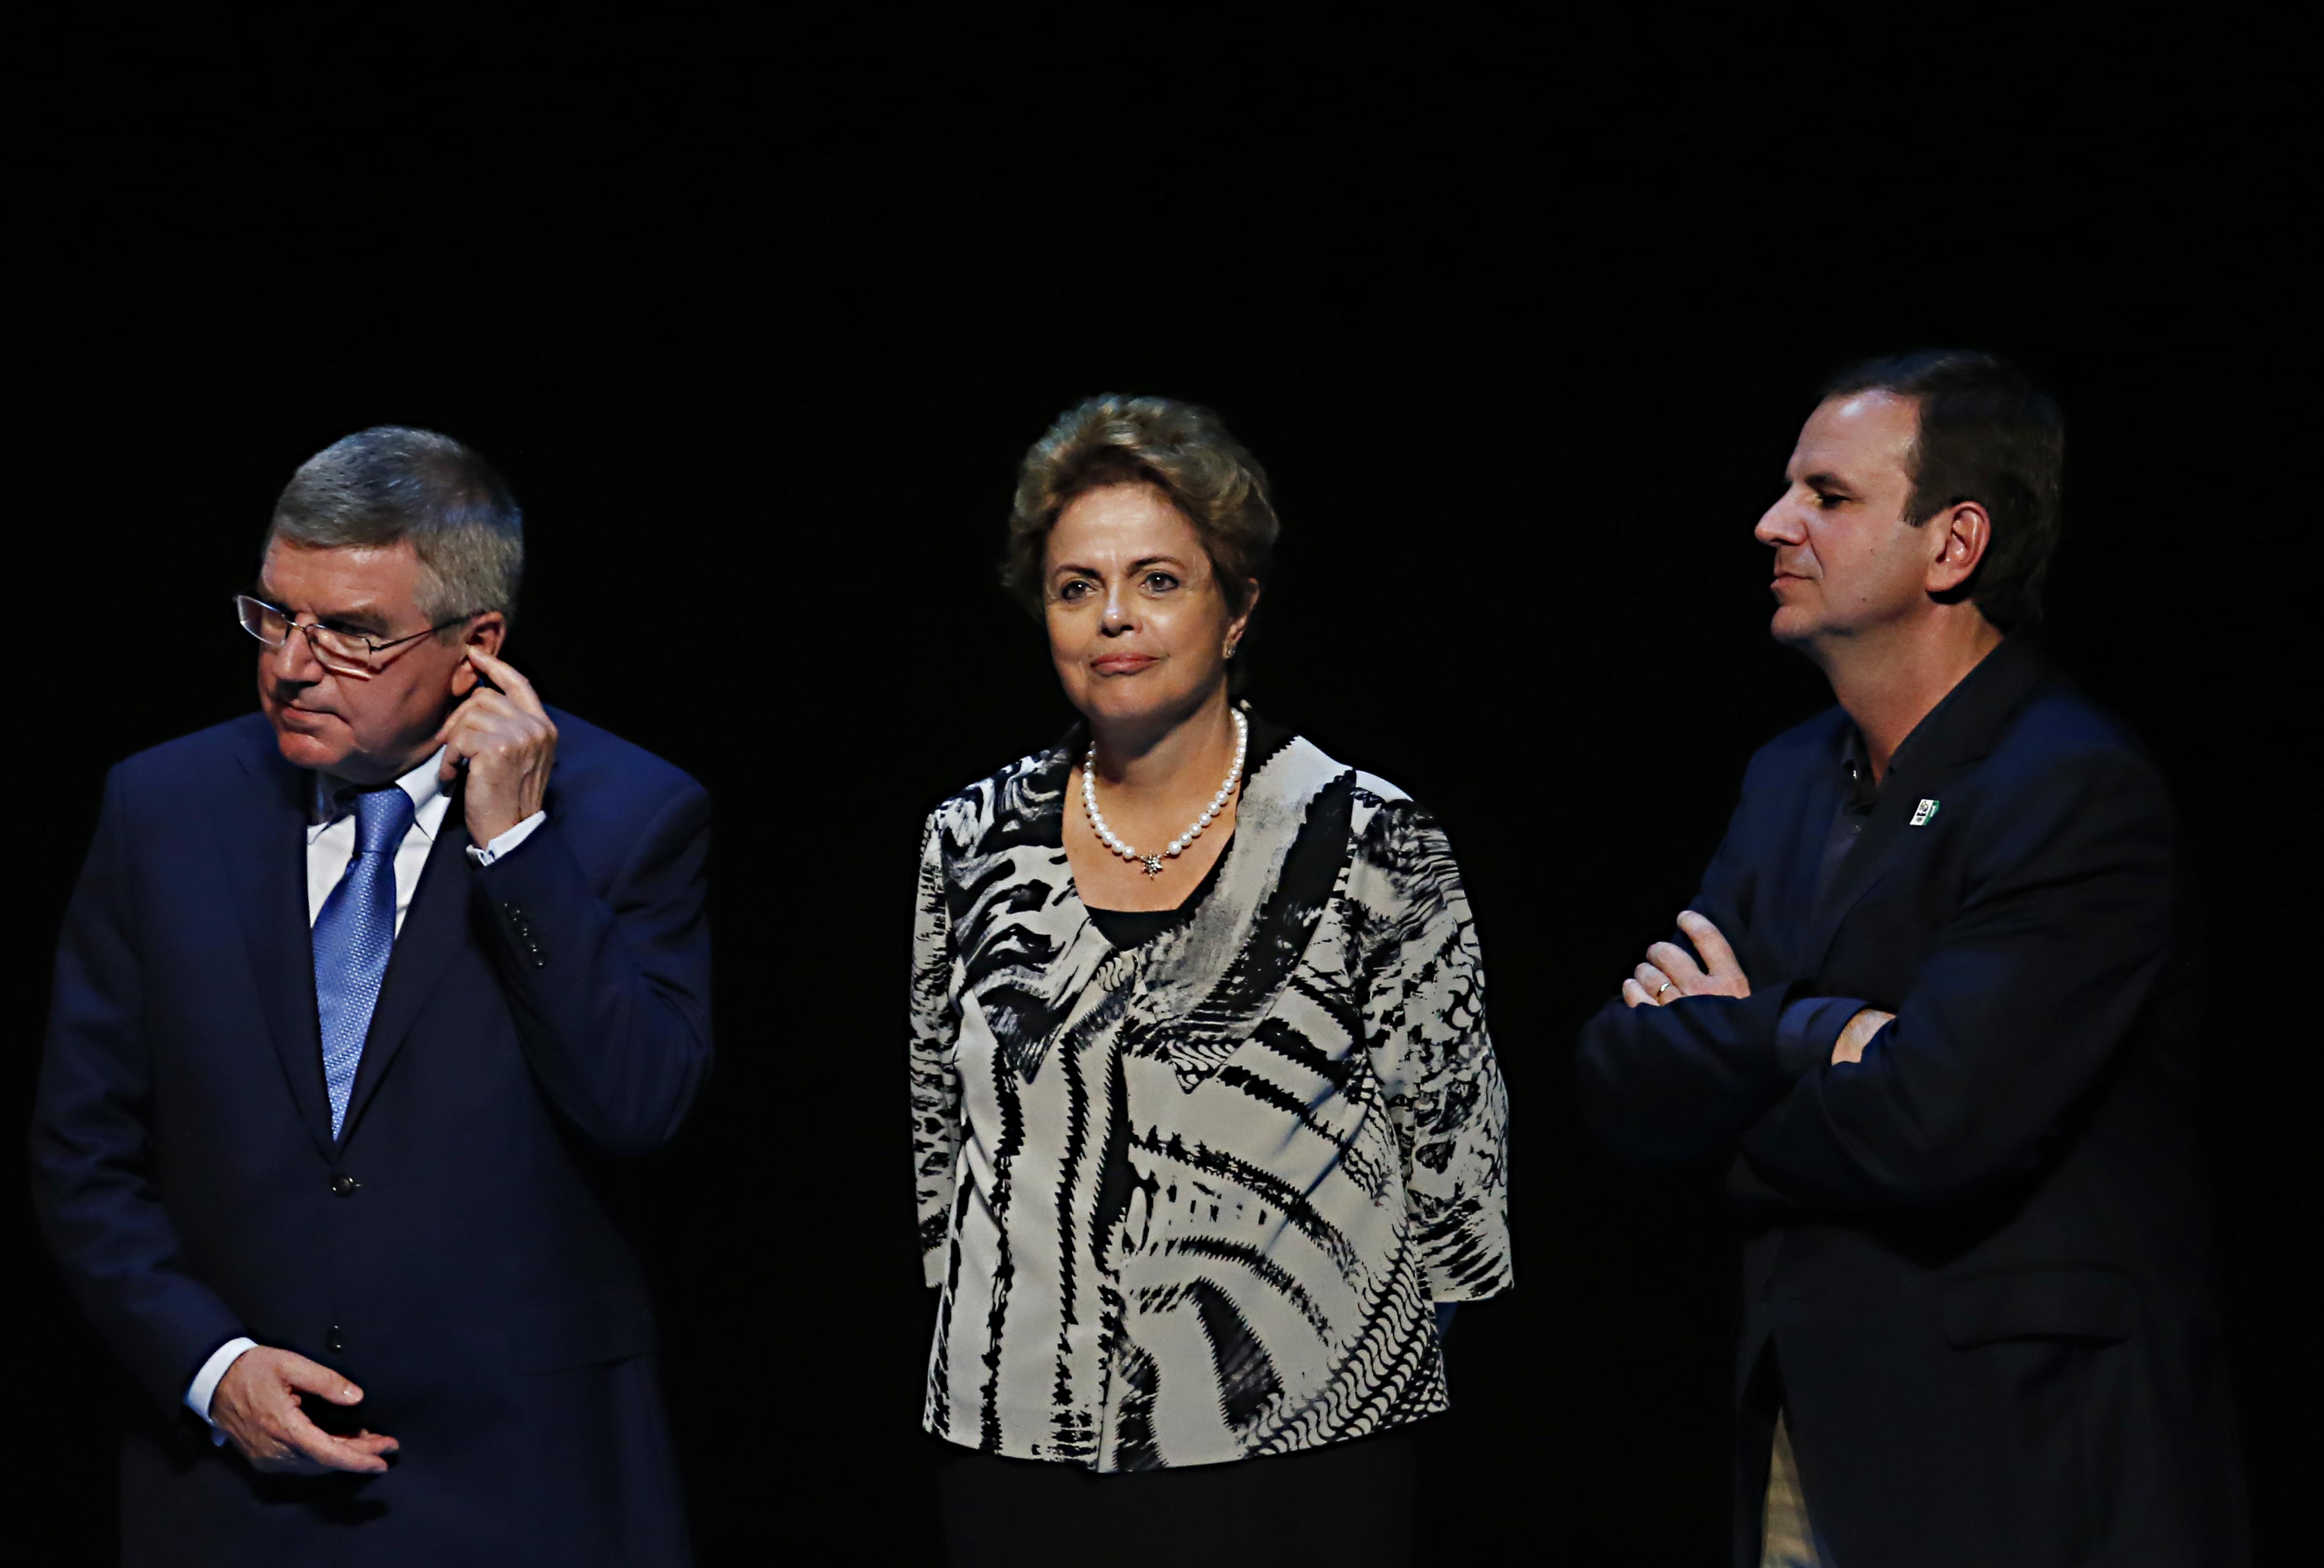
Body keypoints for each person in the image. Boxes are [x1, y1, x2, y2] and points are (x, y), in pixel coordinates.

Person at [1576, 353, 2247, 1567]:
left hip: (2020, 1457)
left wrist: (1737, 1059)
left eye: (1828, 497)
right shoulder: (1785, 777)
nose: (1774, 523)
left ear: (1955, 544)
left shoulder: (2071, 788)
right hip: (1811, 1433)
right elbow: (1623, 1079)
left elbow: (1938, 1122)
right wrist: (1809, 1034)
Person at [32, 428, 712, 1565]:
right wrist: (212, 1369)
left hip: (524, 1489)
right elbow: (82, 1149)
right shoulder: (161, 809)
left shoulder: (632, 817)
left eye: (351, 634)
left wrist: (518, 848)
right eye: (275, 614)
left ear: (476, 647)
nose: (293, 665)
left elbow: (639, 1106)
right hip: (235, 1484)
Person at [908, 395, 1513, 1567]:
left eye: (1158, 582)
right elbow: (943, 1143)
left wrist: (1346, 1362)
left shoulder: (1369, 835)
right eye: (1075, 587)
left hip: (1302, 1457)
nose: (1114, 620)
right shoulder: (968, 840)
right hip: (1018, 1451)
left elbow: (1457, 1174)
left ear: (1237, 611)